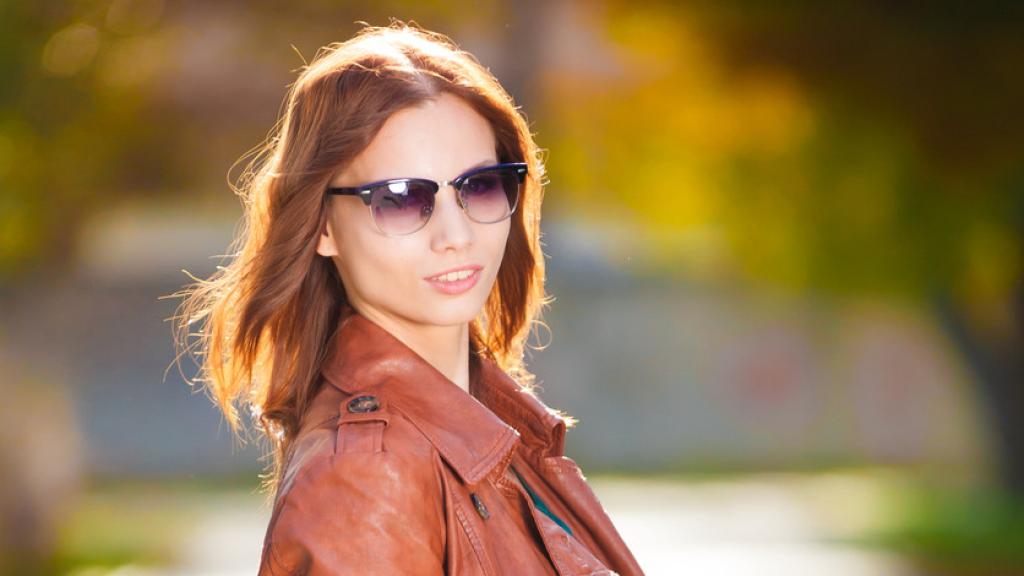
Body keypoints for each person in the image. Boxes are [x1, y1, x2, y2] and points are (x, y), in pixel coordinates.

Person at [173, 20, 645, 575]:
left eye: (480, 186)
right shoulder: (365, 480)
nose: (456, 235)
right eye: (398, 199)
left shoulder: (494, 433)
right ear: (321, 225)